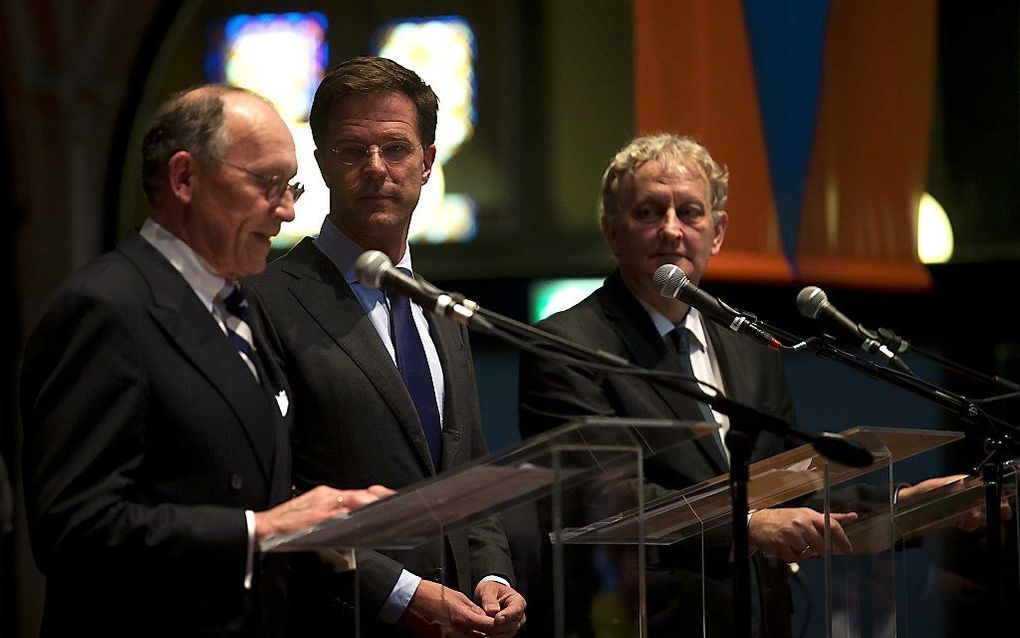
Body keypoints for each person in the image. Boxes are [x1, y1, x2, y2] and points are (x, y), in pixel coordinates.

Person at [20, 85, 389, 638]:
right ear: (185, 178)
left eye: (291, 187)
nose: (287, 212)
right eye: (268, 184)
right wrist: (259, 530)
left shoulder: (238, 306)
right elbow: (73, 528)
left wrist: (316, 519)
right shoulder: (105, 307)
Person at [517, 133, 862, 637]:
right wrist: (746, 526)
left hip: (759, 616)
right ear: (613, 232)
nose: (672, 230)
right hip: (641, 620)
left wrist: (901, 502)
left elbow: (788, 477)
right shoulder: (565, 344)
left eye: (691, 213)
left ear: (717, 232)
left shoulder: (749, 344)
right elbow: (602, 497)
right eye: (649, 212)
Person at [244, 57, 526, 637]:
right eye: (352, 150)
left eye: (395, 149)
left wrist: (492, 577)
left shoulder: (444, 311)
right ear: (322, 164)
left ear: (426, 164)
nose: (376, 169)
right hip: (340, 619)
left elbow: (469, 471)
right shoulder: (266, 302)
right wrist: (402, 595)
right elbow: (280, 492)